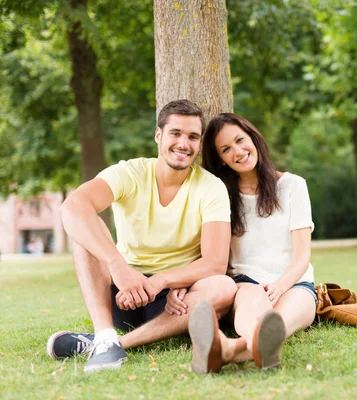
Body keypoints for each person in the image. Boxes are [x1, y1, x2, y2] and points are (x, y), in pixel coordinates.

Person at [46, 100, 246, 373]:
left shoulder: (211, 188)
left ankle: (112, 344)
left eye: (192, 137)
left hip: (173, 302)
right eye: (175, 133)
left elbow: (214, 264)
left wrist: (161, 281)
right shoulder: (130, 172)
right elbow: (72, 207)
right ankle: (105, 332)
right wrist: (118, 266)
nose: (183, 144)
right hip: (122, 293)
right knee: (84, 233)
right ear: (158, 135)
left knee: (223, 287)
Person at [167, 113, 317, 370]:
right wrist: (181, 280)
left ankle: (226, 349)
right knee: (256, 314)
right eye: (226, 149)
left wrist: (280, 287)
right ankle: (250, 348)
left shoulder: (293, 185)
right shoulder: (220, 195)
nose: (237, 151)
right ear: (222, 160)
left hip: (295, 284)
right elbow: (209, 250)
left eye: (240, 140)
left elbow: (302, 256)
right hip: (246, 285)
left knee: (277, 322)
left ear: (254, 138)